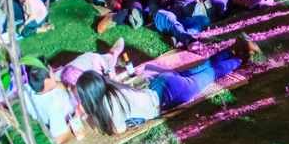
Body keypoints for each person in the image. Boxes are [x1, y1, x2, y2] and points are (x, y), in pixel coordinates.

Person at [75, 41, 252, 135]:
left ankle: (242, 57)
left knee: (211, 74)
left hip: (169, 94)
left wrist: (89, 117)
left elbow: (117, 130)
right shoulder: (111, 87)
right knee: (200, 69)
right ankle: (232, 50)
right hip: (159, 83)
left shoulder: (110, 108)